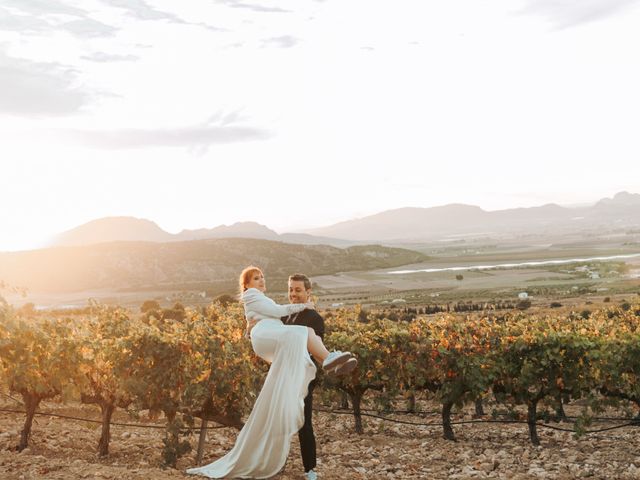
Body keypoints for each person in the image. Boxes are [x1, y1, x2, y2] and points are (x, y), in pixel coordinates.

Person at [187, 266, 356, 479]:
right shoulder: (286, 314)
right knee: (279, 419)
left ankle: (310, 469)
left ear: (308, 292)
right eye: (291, 290)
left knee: (304, 423)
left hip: (302, 374)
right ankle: (270, 461)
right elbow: (270, 325)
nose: (293, 294)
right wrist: (250, 329)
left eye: (298, 290)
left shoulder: (314, 318)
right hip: (284, 373)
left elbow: (313, 343)